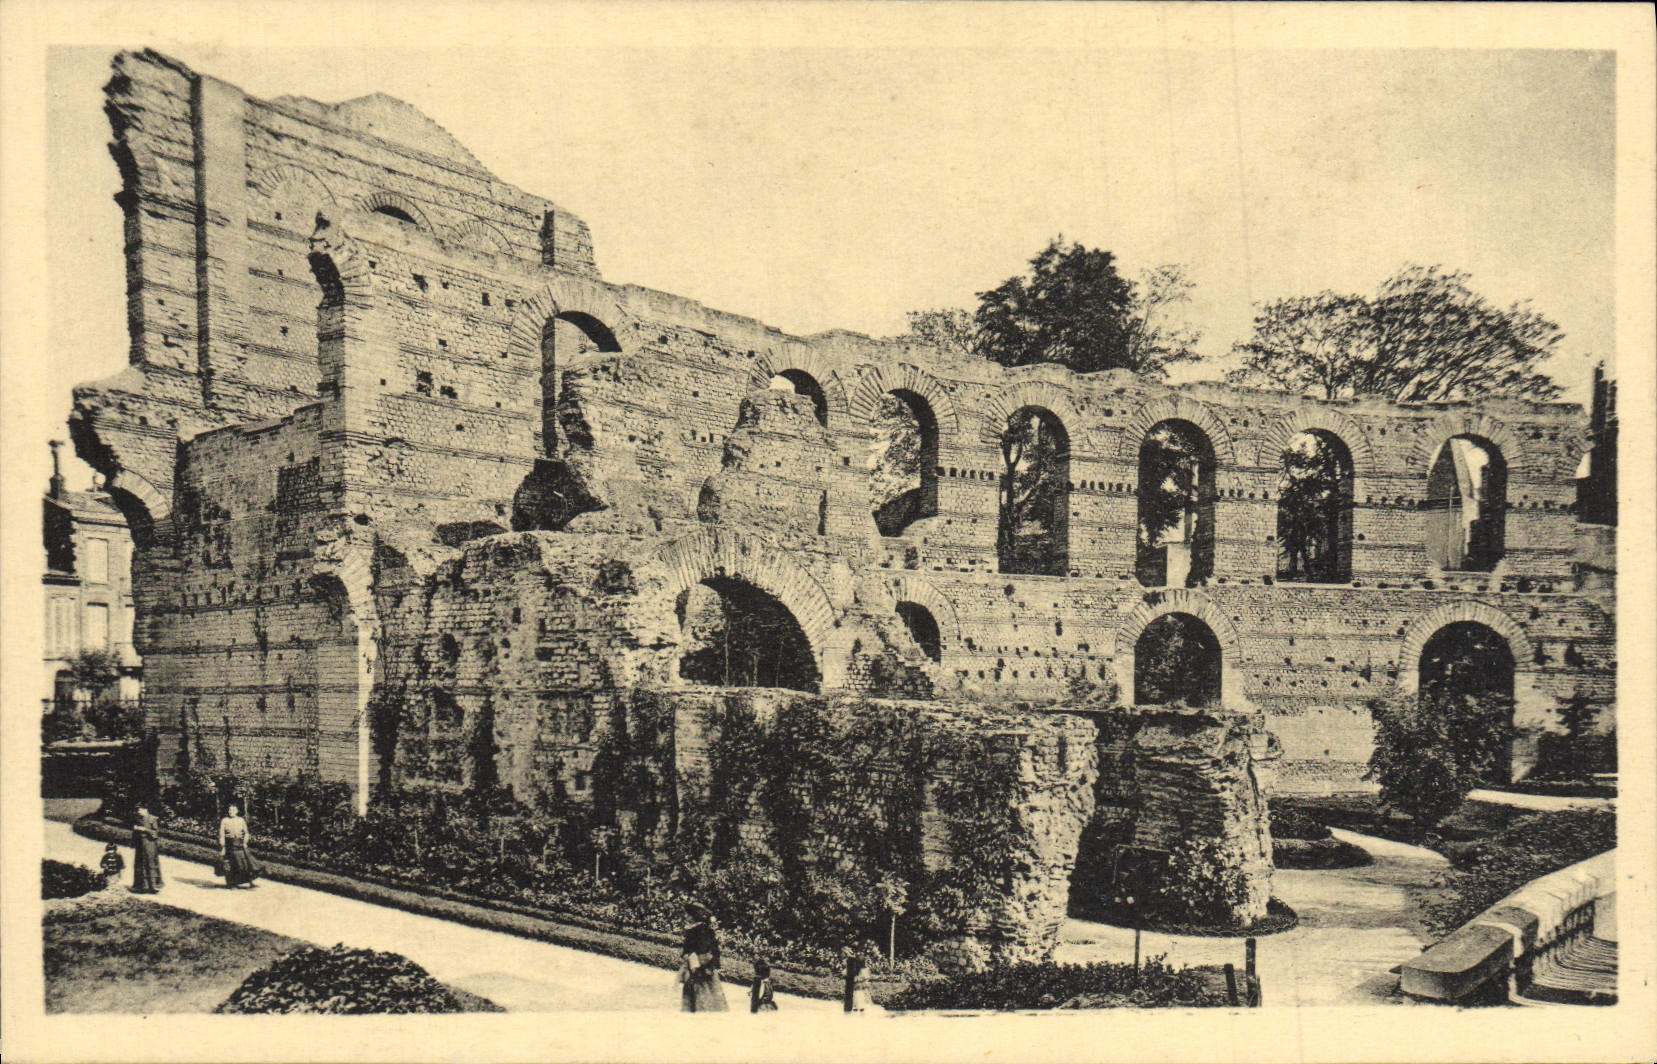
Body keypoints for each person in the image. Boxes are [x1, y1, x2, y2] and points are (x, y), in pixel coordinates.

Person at [678, 901, 728, 1012]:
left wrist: (692, 958)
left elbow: (701, 948)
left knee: (701, 992)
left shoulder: (698, 930)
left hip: (699, 965)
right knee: (707, 992)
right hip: (702, 964)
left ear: (693, 916)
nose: (685, 916)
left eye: (687, 914)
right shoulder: (703, 929)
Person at [217, 801, 259, 889]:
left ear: (237, 811)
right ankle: (230, 883)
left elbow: (246, 833)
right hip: (229, 844)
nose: (231, 811)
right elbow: (222, 834)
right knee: (230, 864)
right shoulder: (224, 820)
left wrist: (245, 842)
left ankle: (250, 882)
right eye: (230, 810)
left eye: (233, 810)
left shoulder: (241, 820)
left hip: (240, 844)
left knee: (246, 862)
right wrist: (223, 847)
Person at [131, 805, 163, 893]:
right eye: (137, 810)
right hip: (140, 844)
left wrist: (145, 829)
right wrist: (135, 830)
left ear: (146, 810)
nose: (138, 812)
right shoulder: (138, 819)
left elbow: (155, 833)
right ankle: (141, 886)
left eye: (140, 810)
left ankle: (153, 886)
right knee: (139, 863)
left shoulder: (152, 819)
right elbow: (135, 833)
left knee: (150, 863)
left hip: (149, 844)